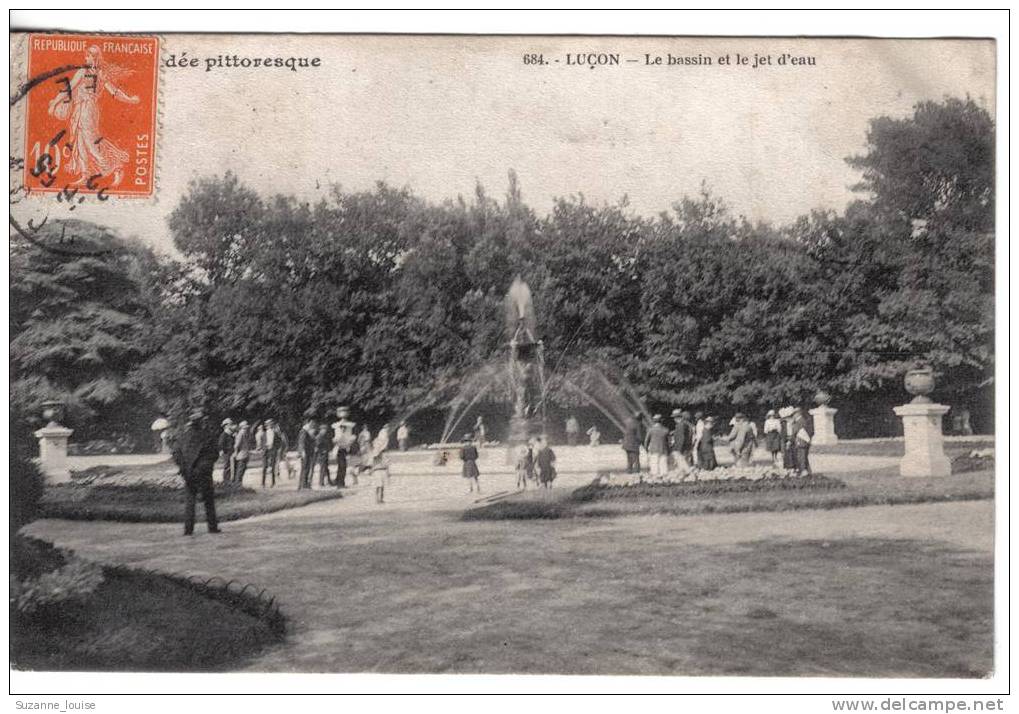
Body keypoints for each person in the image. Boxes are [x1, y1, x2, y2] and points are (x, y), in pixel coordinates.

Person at [171, 410, 221, 536]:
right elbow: (215, 454)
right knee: (209, 500)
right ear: (200, 422)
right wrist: (206, 466)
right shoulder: (208, 436)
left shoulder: (183, 437)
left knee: (190, 501)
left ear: (191, 423)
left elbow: (176, 454)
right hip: (204, 473)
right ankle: (212, 527)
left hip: (189, 473)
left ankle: (188, 529)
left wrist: (183, 468)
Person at [257, 418, 288, 488]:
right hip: (266, 450)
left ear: (272, 425)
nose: (269, 425)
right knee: (264, 466)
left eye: (270, 424)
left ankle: (273, 483)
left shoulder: (275, 433)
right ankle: (263, 483)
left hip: (273, 450)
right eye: (267, 424)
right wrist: (262, 448)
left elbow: (280, 441)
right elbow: (261, 442)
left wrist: (277, 448)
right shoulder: (264, 433)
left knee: (273, 466)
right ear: (266, 425)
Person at [332, 407, 356, 488]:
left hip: (344, 448)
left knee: (343, 467)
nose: (343, 429)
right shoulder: (337, 430)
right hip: (340, 449)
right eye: (342, 428)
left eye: (343, 428)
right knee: (341, 466)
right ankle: (339, 483)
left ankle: (340, 482)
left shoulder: (348, 428)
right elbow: (336, 440)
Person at [644, 414, 670, 478]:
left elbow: (646, 441)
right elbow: (668, 442)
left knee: (654, 467)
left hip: (653, 450)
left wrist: (646, 449)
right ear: (661, 421)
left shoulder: (650, 430)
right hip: (663, 450)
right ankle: (664, 479)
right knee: (663, 467)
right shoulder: (666, 430)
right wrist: (668, 450)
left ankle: (655, 479)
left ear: (654, 421)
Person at [370, 426, 391, 504]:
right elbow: (373, 459)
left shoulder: (385, 454)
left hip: (383, 469)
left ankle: (380, 498)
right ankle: (377, 499)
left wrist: (388, 471)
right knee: (378, 485)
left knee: (382, 485)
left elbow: (387, 463)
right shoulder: (375, 452)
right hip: (377, 470)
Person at [296, 416, 318, 489]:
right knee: (305, 468)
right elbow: (301, 442)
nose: (314, 424)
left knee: (307, 468)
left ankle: (304, 484)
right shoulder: (304, 431)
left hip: (308, 452)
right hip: (305, 453)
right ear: (309, 422)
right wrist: (302, 452)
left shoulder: (309, 430)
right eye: (313, 423)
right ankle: (303, 485)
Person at [790, 407, 813, 477]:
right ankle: (807, 471)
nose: (793, 416)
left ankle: (804, 472)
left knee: (801, 456)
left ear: (797, 413)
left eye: (793, 414)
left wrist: (792, 425)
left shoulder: (800, 420)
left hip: (802, 441)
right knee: (803, 456)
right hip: (802, 441)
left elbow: (795, 431)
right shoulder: (801, 420)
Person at [232, 421, 254, 485]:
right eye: (244, 428)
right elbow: (237, 445)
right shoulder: (240, 434)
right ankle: (238, 484)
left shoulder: (244, 434)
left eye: (246, 428)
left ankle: (239, 483)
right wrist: (235, 453)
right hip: (241, 455)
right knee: (240, 470)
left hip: (244, 454)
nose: (246, 429)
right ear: (242, 428)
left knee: (242, 469)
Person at [315, 423, 335, 487]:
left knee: (326, 469)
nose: (325, 431)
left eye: (325, 429)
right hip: (321, 455)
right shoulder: (319, 437)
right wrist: (322, 451)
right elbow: (317, 447)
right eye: (324, 429)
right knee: (323, 469)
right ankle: (321, 483)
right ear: (320, 430)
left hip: (325, 454)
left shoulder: (324, 436)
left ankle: (328, 481)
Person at [217, 419, 235, 483]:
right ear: (226, 426)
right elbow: (220, 444)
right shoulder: (224, 434)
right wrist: (222, 451)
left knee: (230, 466)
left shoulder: (230, 434)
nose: (231, 426)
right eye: (230, 424)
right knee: (227, 466)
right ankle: (226, 480)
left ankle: (229, 480)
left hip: (230, 452)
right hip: (226, 452)